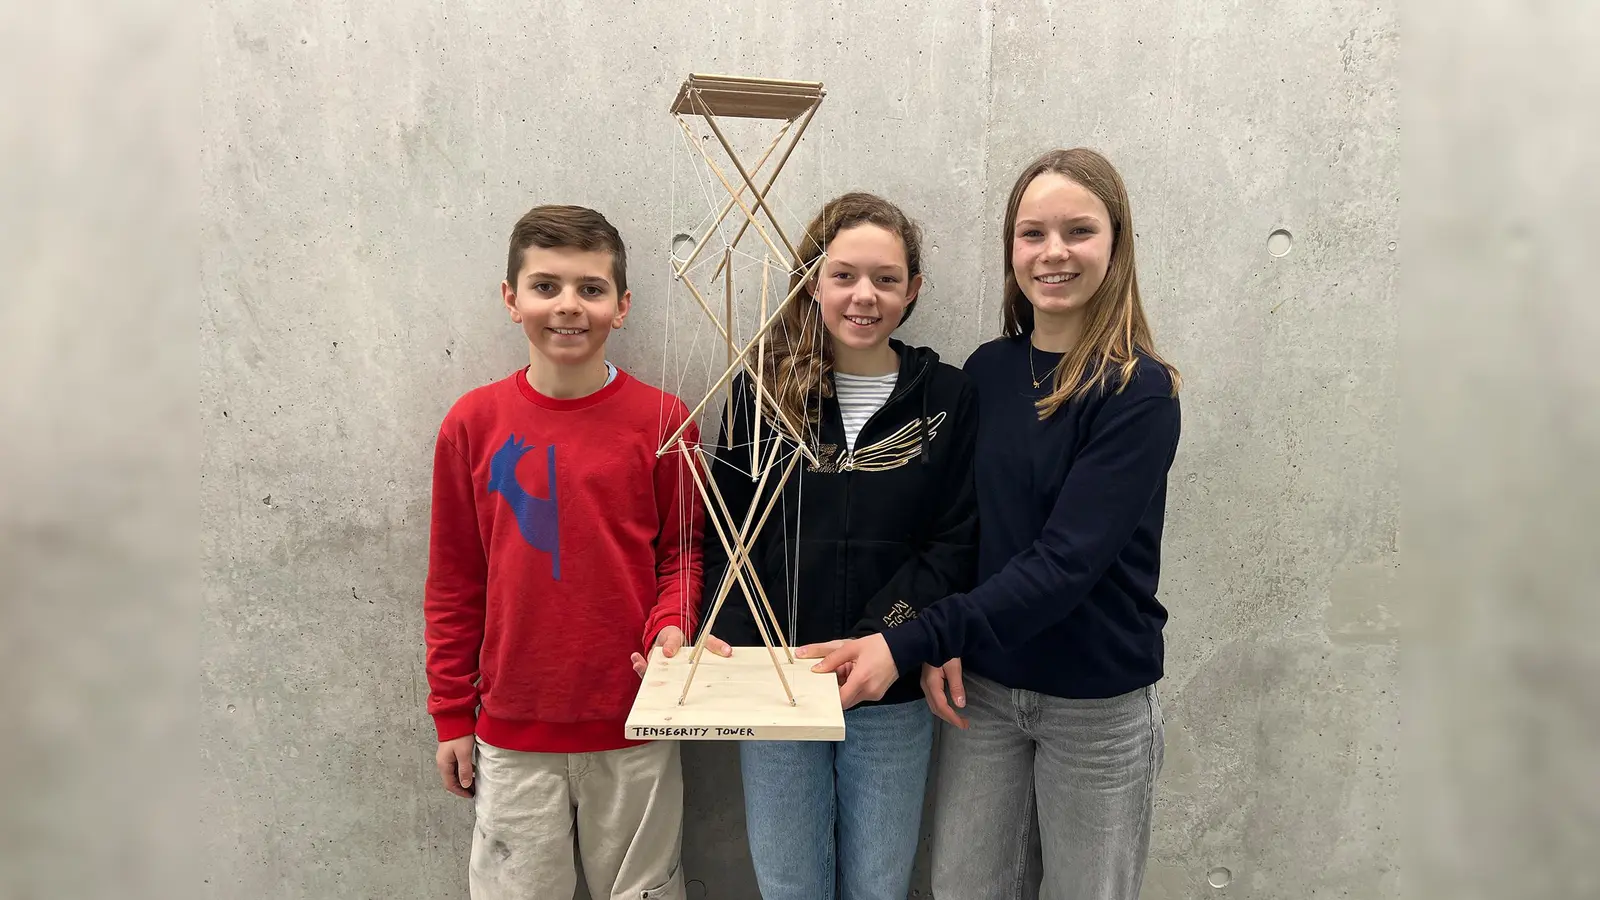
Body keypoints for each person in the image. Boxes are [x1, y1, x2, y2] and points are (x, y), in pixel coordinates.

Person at [815, 149, 1182, 900]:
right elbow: (970, 532)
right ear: (1011, 249)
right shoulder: (985, 372)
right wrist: (949, 641)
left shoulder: (1138, 394)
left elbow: (1061, 568)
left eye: (1078, 231)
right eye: (1031, 232)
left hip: (1095, 706)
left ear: (1116, 245)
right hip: (980, 691)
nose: (1053, 253)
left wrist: (912, 638)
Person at [697, 192, 979, 900]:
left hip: (890, 684)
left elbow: (957, 540)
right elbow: (726, 531)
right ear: (812, 280)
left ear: (912, 289)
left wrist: (883, 640)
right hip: (779, 681)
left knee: (879, 887)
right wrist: (722, 643)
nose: (865, 295)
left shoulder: (947, 397)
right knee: (791, 885)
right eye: (845, 274)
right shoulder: (762, 390)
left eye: (886, 278)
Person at [422, 204, 704, 900]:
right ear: (511, 299)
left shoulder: (666, 423)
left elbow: (684, 555)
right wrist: (453, 714)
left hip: (636, 723)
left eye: (591, 288)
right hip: (513, 735)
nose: (569, 306)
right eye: (546, 286)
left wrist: (670, 627)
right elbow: (455, 581)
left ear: (622, 305)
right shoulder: (472, 425)